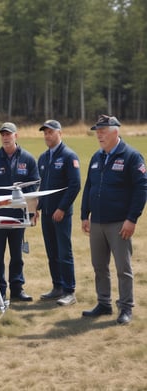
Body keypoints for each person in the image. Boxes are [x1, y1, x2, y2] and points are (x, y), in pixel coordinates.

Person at [81, 114, 147, 324]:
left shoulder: (132, 156)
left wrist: (132, 219)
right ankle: (104, 303)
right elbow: (89, 187)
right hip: (98, 222)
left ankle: (126, 307)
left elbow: (141, 188)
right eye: (97, 132)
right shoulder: (96, 157)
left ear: (115, 132)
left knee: (122, 268)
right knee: (99, 266)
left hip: (119, 223)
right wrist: (85, 215)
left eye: (103, 132)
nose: (99, 135)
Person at [0, 122, 40, 301]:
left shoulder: (28, 159)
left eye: (9, 134)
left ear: (16, 136)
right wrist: (5, 199)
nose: (6, 137)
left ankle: (17, 289)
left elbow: (35, 185)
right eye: (3, 135)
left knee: (17, 256)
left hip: (18, 216)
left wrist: (27, 206)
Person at [37, 120, 81, 306]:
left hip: (61, 214)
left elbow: (75, 185)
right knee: (51, 252)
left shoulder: (69, 155)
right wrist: (36, 209)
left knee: (64, 253)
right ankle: (57, 287)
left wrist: (62, 208)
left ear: (60, 133)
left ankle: (69, 291)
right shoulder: (43, 158)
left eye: (51, 132)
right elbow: (40, 187)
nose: (47, 136)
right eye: (45, 133)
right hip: (46, 214)